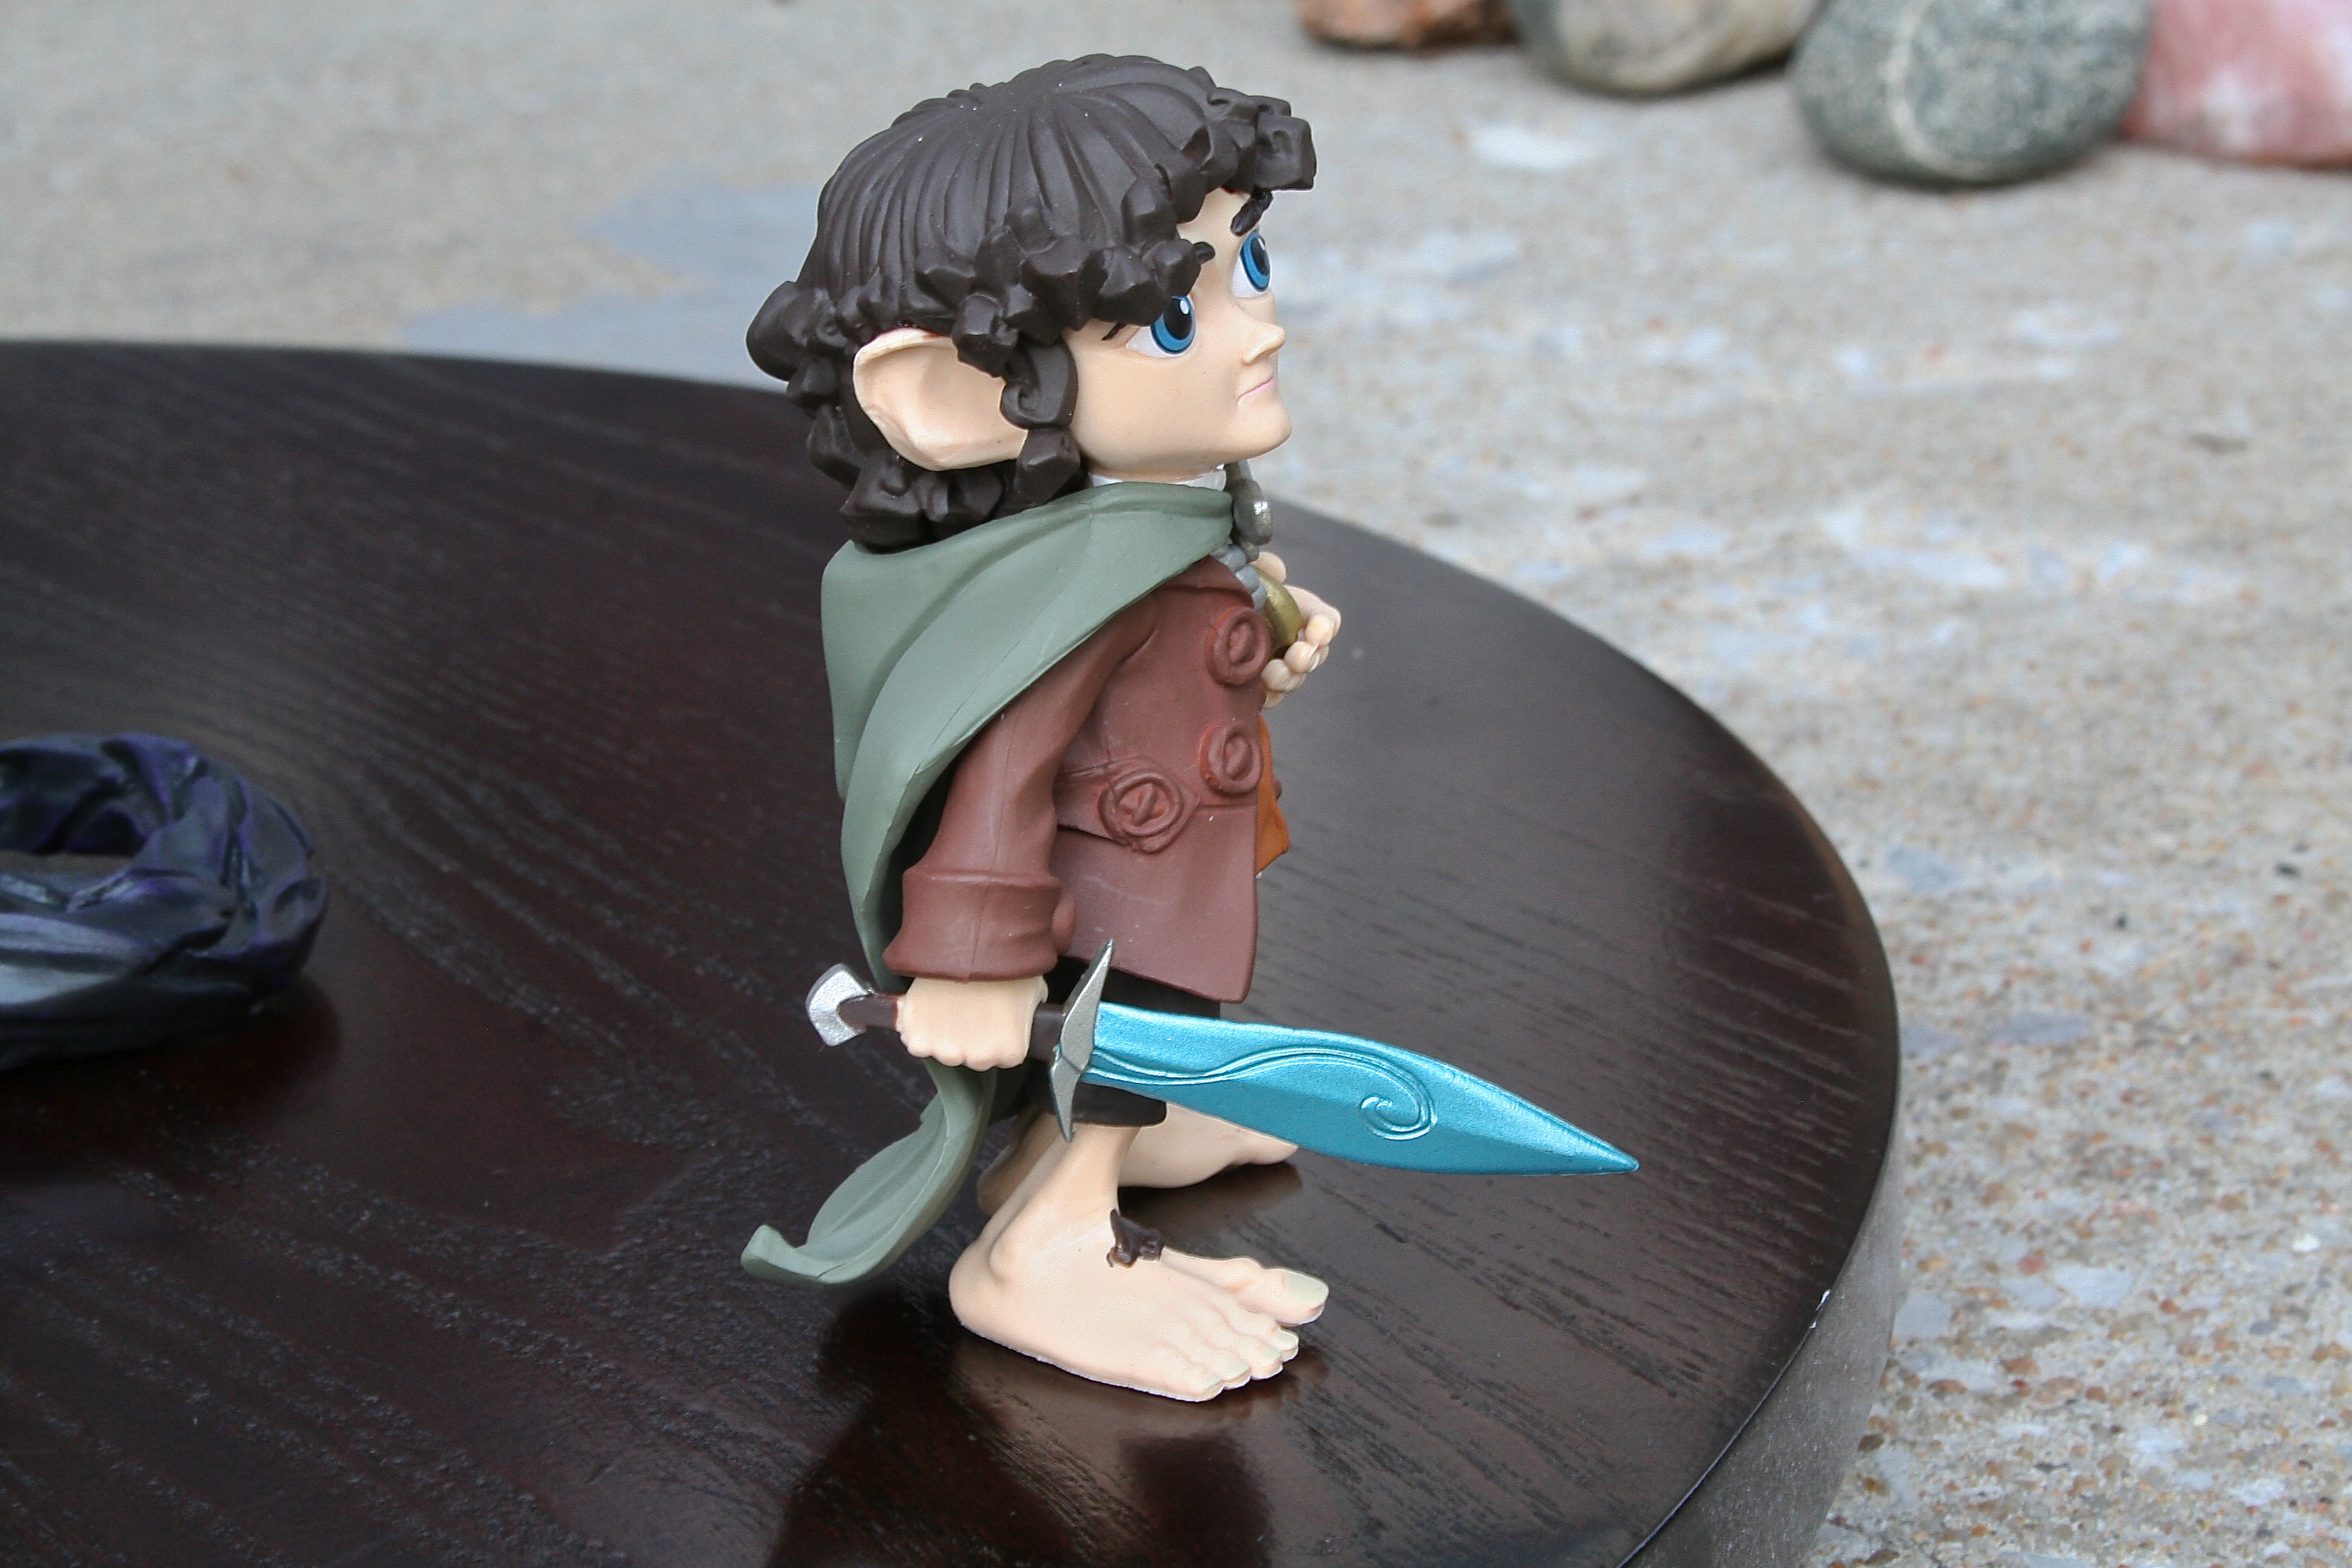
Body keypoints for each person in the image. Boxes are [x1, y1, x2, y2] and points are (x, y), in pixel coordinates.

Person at [740, 56, 1345, 1402]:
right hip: (1113, 878)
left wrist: (1267, 626)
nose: (1259, 329)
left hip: (1169, 861)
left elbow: (1195, 609)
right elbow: (1002, 767)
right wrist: (971, 959)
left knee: (1162, 1018)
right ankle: (1048, 1243)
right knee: (1124, 1018)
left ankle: (1109, 1136)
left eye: (1247, 266)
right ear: (961, 394)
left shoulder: (1154, 524)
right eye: (1174, 321)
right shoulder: (1057, 592)